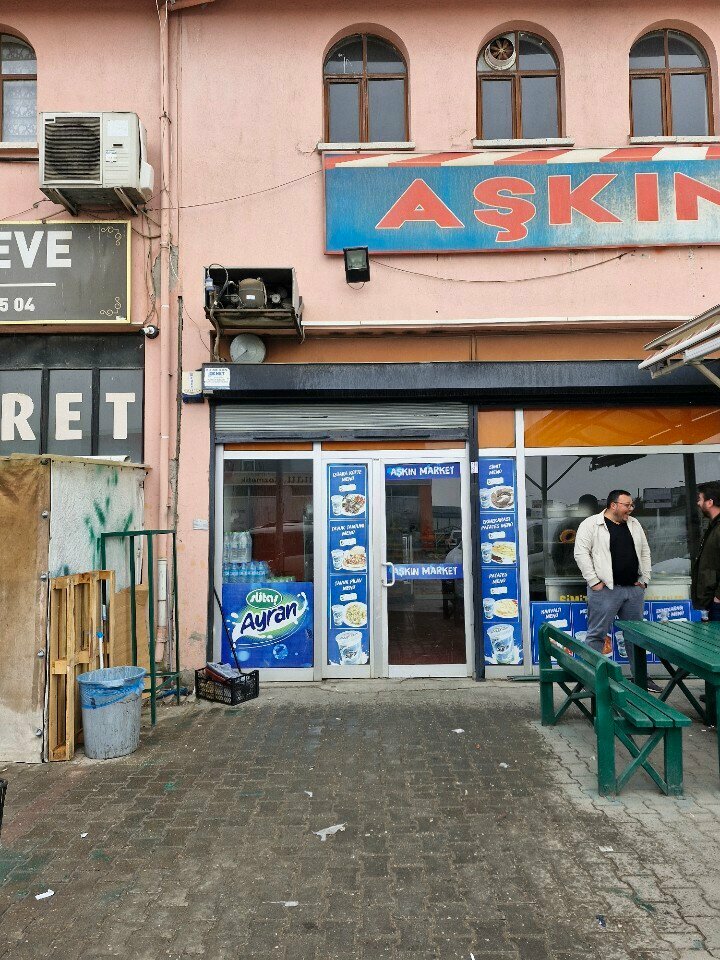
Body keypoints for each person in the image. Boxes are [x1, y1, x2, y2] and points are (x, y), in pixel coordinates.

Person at [573, 489, 657, 689]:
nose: (630, 508)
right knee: (596, 635)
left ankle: (641, 679)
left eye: (631, 505)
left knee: (635, 637)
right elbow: (581, 554)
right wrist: (594, 581)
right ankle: (589, 678)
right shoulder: (591, 524)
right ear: (613, 505)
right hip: (605, 591)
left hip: (633, 590)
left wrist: (645, 578)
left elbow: (645, 552)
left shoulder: (634, 524)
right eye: (627, 505)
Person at [551, 494, 599, 576]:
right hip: (595, 570)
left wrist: (559, 570)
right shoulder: (603, 524)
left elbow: (556, 551)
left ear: (579, 507)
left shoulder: (565, 524)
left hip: (572, 570)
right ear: (596, 507)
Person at [692, 481, 720, 621]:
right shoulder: (713, 526)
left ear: (709, 502)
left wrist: (718, 596)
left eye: (700, 499)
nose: (698, 503)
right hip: (711, 601)